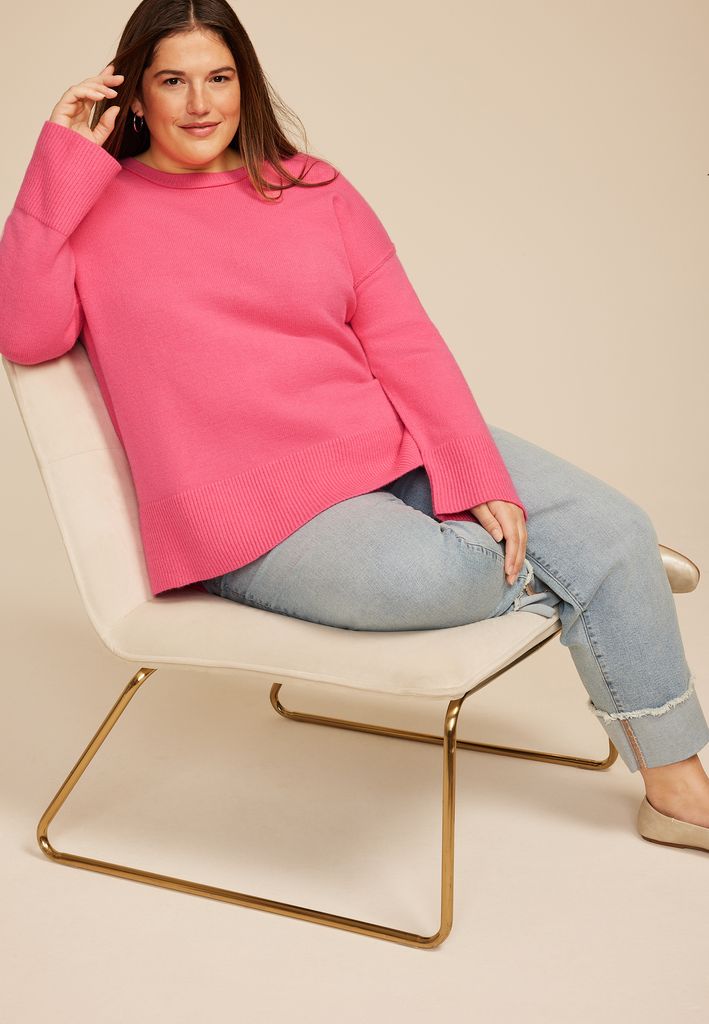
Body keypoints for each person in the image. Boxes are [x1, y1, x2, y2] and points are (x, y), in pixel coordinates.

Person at [1, 0, 708, 852]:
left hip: (385, 448)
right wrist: (59, 162)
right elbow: (26, 333)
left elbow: (404, 341)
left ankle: (677, 792)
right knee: (450, 576)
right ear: (137, 98)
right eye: (172, 81)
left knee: (616, 527)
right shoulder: (87, 209)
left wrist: (471, 469)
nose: (200, 103)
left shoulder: (313, 187)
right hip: (250, 520)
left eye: (219, 77)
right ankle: (599, 582)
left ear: (245, 83)